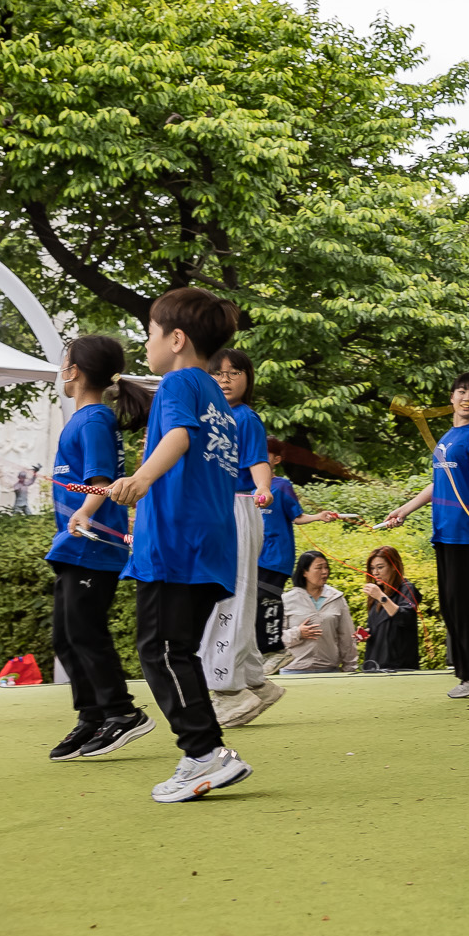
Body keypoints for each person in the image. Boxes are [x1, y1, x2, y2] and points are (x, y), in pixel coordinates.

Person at [104, 287, 252, 803]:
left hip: (176, 543)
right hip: (207, 542)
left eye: (149, 332)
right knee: (175, 649)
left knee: (160, 649)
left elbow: (180, 439)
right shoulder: (214, 394)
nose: (145, 342)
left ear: (176, 338)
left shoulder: (177, 385)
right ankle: (205, 752)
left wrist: (141, 479)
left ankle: (205, 755)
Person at [45, 336, 155, 756]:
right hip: (72, 546)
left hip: (93, 545)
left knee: (84, 632)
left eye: (65, 362)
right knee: (66, 636)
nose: (62, 369)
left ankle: (122, 713)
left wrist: (86, 512)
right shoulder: (83, 419)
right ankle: (91, 715)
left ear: (74, 371)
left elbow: (101, 482)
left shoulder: (93, 419)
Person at [382, 373, 469, 697]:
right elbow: (439, 484)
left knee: (465, 604)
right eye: (462, 391)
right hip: (444, 531)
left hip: (465, 531)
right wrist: (405, 509)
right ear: (451, 396)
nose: (467, 397)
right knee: (451, 604)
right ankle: (468, 671)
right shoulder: (448, 437)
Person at [206, 349, 283, 728]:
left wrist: (264, 488)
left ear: (247, 378)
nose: (225, 379)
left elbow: (258, 462)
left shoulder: (245, 418)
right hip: (215, 509)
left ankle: (228, 692)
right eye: (218, 373)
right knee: (229, 596)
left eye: (234, 372)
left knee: (229, 598)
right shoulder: (209, 416)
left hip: (238, 506)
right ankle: (256, 683)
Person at [257, 467, 341, 674]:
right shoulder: (240, 484)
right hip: (249, 555)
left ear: (276, 459)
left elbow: (297, 516)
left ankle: (273, 650)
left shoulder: (282, 485)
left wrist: (319, 516)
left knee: (265, 600)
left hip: (274, 556)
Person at [279, 551, 358, 672]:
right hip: (293, 670)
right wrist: (298, 633)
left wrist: (350, 668)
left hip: (330, 670)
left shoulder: (337, 598)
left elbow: (347, 637)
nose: (325, 572)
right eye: (319, 568)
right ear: (305, 572)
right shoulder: (287, 599)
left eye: (326, 567)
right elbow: (276, 639)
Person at [358, 547, 423, 671]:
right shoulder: (378, 592)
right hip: (375, 665)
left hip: (400, 666)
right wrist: (365, 633)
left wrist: (381, 597)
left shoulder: (407, 589)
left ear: (394, 566)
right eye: (372, 568)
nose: (375, 572)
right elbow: (380, 625)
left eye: (380, 567)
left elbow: (405, 618)